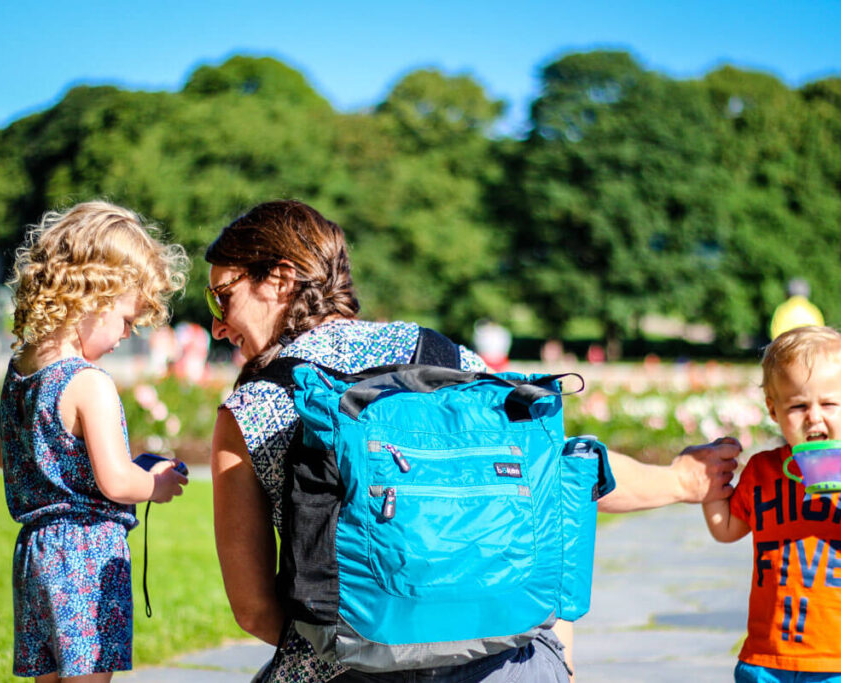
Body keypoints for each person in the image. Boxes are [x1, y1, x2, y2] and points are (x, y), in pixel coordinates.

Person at [206, 199, 741, 683]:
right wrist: (681, 479)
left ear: (279, 279)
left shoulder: (251, 408)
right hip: (505, 662)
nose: (216, 326)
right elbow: (552, 475)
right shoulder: (437, 355)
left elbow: (255, 610)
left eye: (221, 296)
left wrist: (380, 647)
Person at [0, 201, 191, 682]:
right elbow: (116, 481)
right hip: (87, 554)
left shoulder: (20, 372)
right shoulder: (88, 381)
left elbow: (8, 457)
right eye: (127, 320)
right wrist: (155, 484)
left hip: (36, 553)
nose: (127, 335)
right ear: (93, 295)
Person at [701, 326, 841, 682]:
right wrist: (709, 483)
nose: (814, 416)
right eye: (798, 405)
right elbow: (726, 529)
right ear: (773, 409)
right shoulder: (763, 470)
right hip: (768, 656)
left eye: (828, 403)